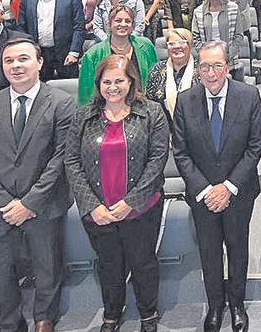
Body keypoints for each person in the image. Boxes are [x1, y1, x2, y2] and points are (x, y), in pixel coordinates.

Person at [0, 38, 75, 332]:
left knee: (47, 267)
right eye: (9, 61)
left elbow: (61, 157)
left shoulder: (62, 102)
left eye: (23, 59)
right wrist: (6, 202)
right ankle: (9, 322)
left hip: (43, 203)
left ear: (39, 63)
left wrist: (29, 203)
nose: (16, 66)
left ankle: (45, 317)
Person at [66, 54, 168, 332]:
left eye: (119, 81)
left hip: (141, 208)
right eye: (107, 82)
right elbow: (71, 161)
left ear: (131, 82)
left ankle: (148, 313)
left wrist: (130, 202)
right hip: (98, 210)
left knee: (143, 261)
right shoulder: (83, 115)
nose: (113, 87)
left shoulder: (151, 112)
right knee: (108, 264)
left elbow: (157, 160)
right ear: (98, 84)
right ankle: (112, 312)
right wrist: (90, 206)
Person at [171, 41, 261, 332]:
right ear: (197, 69)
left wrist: (228, 187)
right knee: (210, 253)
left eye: (217, 65)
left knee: (237, 249)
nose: (211, 73)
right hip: (202, 196)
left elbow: (254, 147)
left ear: (228, 66)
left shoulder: (248, 96)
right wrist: (205, 189)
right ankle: (215, 305)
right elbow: (181, 152)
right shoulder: (186, 100)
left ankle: (236, 304)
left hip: (238, 193)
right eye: (204, 66)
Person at [18, 0, 85, 81]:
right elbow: (22, 27)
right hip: (38, 54)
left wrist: (74, 52)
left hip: (66, 54)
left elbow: (79, 26)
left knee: (68, 92)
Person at [78, 4, 159, 104]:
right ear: (109, 24)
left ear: (133, 25)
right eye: (118, 20)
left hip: (143, 107)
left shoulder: (146, 46)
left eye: (128, 21)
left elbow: (156, 80)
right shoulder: (92, 54)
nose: (123, 24)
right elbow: (86, 92)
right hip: (106, 109)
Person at [144, 27, 199, 114]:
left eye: (182, 42)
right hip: (163, 124)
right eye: (171, 43)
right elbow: (149, 102)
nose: (176, 47)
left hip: (196, 122)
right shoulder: (157, 69)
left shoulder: (202, 70)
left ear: (190, 45)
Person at [192, 0, 245, 64]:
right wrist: (206, 54)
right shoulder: (198, 11)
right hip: (206, 59)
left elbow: (239, 36)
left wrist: (227, 55)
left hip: (229, 60)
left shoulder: (233, 9)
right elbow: (195, 38)